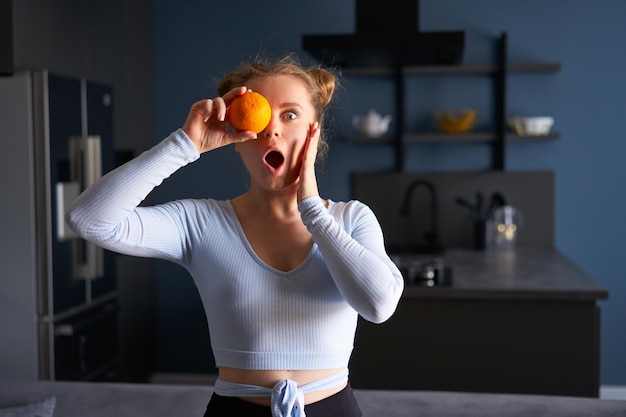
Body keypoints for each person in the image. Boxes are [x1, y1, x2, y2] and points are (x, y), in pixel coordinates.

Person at [66, 54, 404, 417]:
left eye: (290, 115)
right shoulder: (200, 223)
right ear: (236, 139)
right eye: (258, 117)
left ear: (314, 131)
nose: (273, 130)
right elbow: (88, 220)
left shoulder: (351, 219)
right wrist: (185, 144)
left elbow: (379, 306)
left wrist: (313, 211)